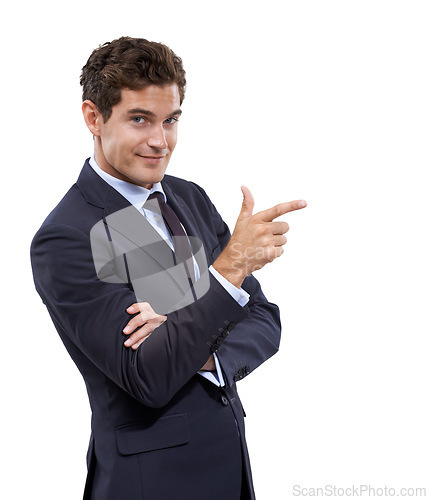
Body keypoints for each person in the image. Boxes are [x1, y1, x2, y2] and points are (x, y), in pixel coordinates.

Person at [30, 36, 307, 500]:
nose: (161, 141)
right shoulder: (68, 236)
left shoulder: (187, 196)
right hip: (150, 484)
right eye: (140, 120)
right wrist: (230, 267)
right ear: (94, 118)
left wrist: (197, 346)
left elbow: (264, 319)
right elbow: (150, 376)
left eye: (171, 120)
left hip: (229, 470)